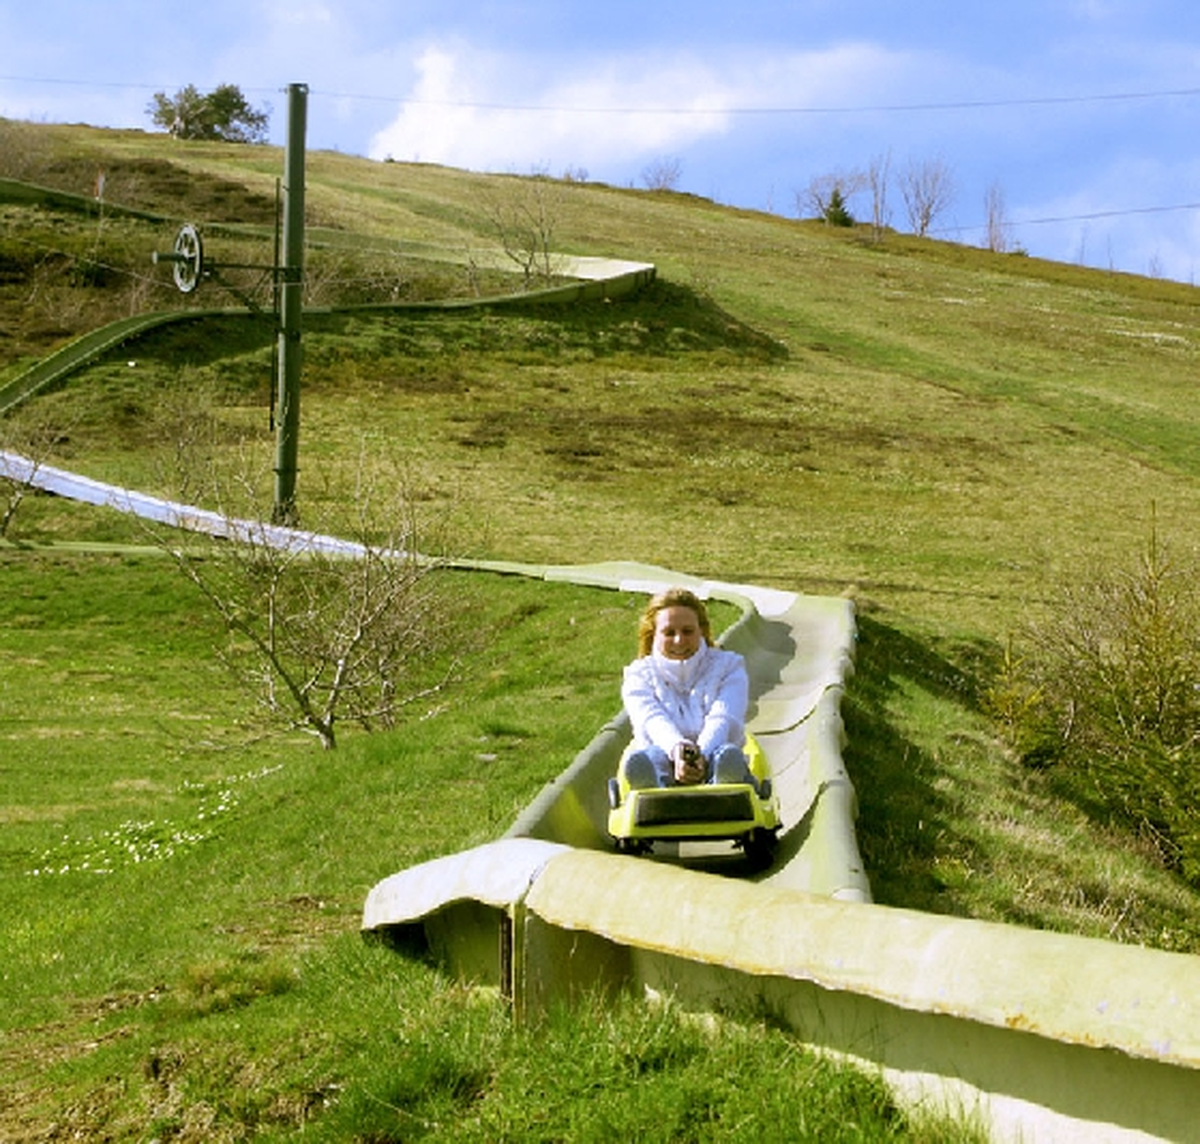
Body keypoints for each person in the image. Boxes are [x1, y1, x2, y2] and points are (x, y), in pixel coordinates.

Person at [619, 587, 754, 789]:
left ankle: (724, 785)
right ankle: (654, 789)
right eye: (669, 632)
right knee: (652, 757)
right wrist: (678, 751)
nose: (679, 640)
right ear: (654, 634)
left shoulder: (730, 667)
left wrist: (702, 755)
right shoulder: (638, 675)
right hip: (663, 753)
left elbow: (723, 717)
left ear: (701, 630)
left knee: (725, 754)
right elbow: (652, 719)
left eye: (687, 631)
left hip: (714, 752)